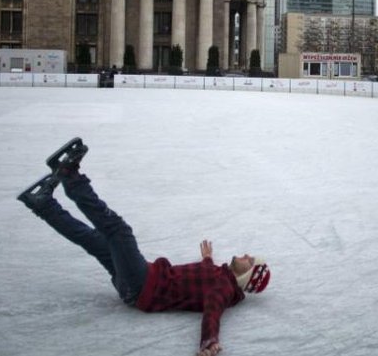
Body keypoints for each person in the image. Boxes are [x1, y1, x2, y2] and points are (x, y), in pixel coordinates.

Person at [17, 139, 271, 356]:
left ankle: (70, 176)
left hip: (143, 284)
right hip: (139, 282)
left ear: (247, 275)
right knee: (93, 240)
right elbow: (205, 281)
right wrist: (206, 259)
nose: (247, 255)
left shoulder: (223, 288)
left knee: (118, 231)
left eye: (251, 260)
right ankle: (43, 204)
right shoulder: (221, 276)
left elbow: (212, 314)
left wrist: (209, 342)